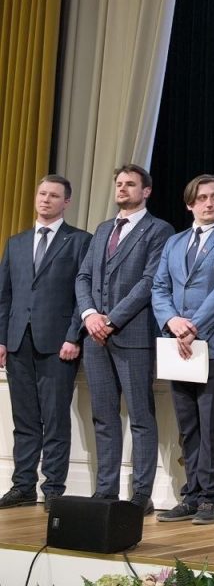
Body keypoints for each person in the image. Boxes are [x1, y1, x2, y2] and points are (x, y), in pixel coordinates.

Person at [151, 174, 214, 524]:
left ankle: (211, 498)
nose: (209, 203)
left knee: (213, 426)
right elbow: (159, 287)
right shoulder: (175, 242)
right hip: (178, 345)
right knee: (188, 426)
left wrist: (193, 326)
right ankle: (192, 495)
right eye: (202, 198)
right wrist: (172, 321)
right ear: (189, 204)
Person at [74, 164, 173, 515]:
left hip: (132, 336)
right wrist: (90, 315)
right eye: (119, 183)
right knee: (103, 416)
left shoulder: (158, 230)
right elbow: (83, 277)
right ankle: (106, 490)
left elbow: (149, 282)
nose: (122, 188)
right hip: (95, 338)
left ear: (146, 191)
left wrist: (112, 319)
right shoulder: (103, 229)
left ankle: (141, 494)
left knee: (141, 416)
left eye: (130, 184)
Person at [0, 175, 91, 510]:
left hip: (58, 345)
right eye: (42, 193)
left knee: (54, 420)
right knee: (24, 420)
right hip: (17, 342)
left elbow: (83, 295)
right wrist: (1, 339)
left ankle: (53, 488)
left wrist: (73, 336)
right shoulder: (16, 242)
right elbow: (4, 295)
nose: (46, 199)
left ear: (66, 202)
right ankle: (23, 486)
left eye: (54, 195)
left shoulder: (80, 241)